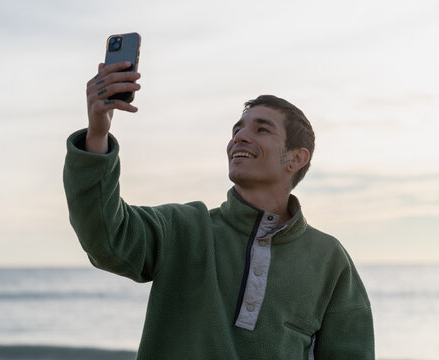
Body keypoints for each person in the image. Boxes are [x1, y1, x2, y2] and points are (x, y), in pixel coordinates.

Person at [63, 61, 374, 359]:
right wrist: (98, 134)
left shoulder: (329, 259)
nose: (240, 136)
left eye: (262, 129)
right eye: (237, 129)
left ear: (295, 158)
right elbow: (104, 237)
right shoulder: (182, 228)